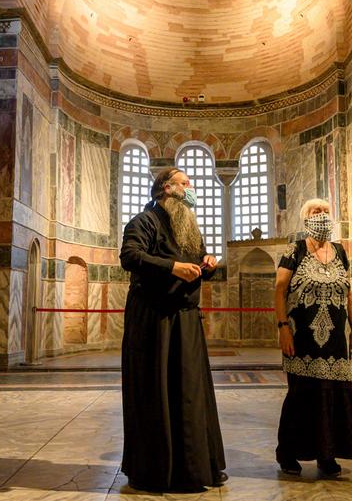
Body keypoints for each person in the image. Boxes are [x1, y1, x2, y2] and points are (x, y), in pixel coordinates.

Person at [119, 167, 227, 492]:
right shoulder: (144, 220)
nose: (189, 188)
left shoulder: (188, 225)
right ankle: (157, 471)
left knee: (190, 392)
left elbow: (194, 263)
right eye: (184, 183)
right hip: (154, 319)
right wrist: (172, 267)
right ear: (167, 188)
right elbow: (129, 256)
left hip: (185, 318)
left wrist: (206, 264)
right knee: (157, 390)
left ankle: (195, 467)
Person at [274, 198, 352, 477]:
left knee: (334, 395)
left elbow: (348, 290)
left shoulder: (339, 251)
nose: (322, 215)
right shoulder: (295, 250)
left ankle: (328, 455)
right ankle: (289, 454)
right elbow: (279, 289)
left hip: (335, 337)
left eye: (326, 210)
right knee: (302, 395)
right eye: (316, 211)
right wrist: (282, 326)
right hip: (302, 337)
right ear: (306, 219)